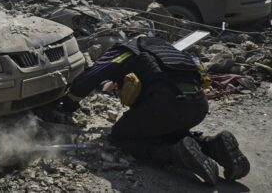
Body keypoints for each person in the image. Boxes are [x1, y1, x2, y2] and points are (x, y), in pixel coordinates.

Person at [66, 36, 250, 185]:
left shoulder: (122, 51)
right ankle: (213, 145)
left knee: (120, 135)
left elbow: (90, 77)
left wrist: (69, 102)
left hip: (166, 105)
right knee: (163, 129)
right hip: (198, 105)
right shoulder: (161, 47)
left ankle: (174, 154)